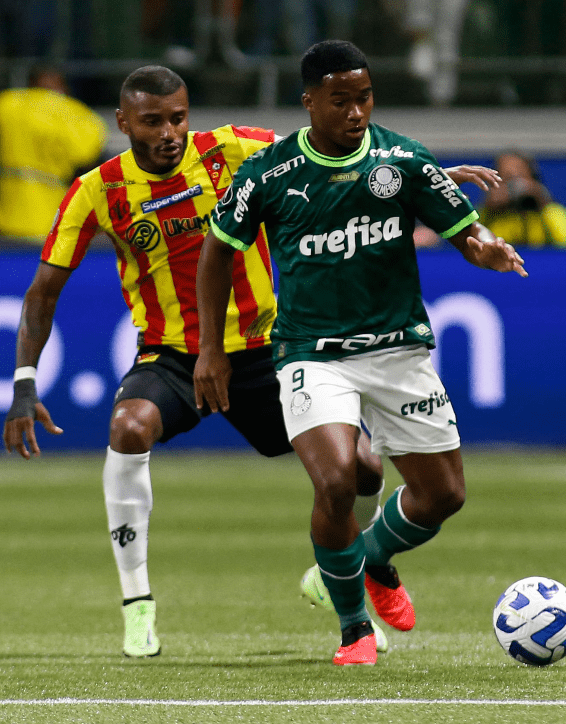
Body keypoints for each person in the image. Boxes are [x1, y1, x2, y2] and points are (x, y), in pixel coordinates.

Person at [2, 65, 497, 659]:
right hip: (173, 359)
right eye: (153, 121)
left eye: (178, 118)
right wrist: (24, 383)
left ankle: (363, 562)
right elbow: (42, 292)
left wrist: (428, 177)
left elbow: (337, 157)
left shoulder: (232, 150)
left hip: (264, 351)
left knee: (364, 471)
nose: (169, 132)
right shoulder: (96, 190)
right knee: (128, 427)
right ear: (123, 122)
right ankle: (138, 607)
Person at [194, 40, 526, 667]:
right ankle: (353, 630)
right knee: (338, 479)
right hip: (311, 354)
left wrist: (488, 247)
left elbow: (464, 230)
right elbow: (218, 251)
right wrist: (211, 348)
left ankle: (365, 560)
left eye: (364, 97)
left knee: (444, 497)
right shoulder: (269, 173)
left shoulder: (402, 160)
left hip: (399, 350)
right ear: (310, 101)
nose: (355, 112)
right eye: (340, 100)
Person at [0, 65, 107, 242]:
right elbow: (91, 166)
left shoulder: (7, 105)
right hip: (56, 220)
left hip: (6, 216)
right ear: (64, 88)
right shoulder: (83, 117)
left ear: (29, 85)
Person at [477, 151, 566, 249]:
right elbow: (470, 245)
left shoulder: (551, 212)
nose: (514, 185)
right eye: (506, 178)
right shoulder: (488, 216)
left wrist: (541, 200)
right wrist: (488, 209)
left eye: (519, 176)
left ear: (532, 177)